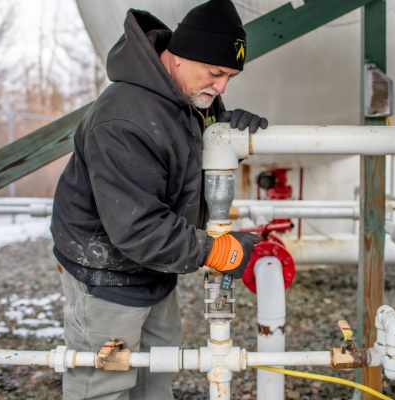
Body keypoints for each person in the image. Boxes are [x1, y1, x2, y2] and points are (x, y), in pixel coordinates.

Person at [51, 1, 266, 399]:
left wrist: (226, 129)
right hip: (108, 275)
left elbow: (178, 158)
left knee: (157, 374)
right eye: (215, 74)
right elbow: (139, 227)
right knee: (103, 386)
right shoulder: (124, 118)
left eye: (230, 77)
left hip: (155, 270)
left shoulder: (185, 96)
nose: (221, 87)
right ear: (180, 56)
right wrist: (219, 251)